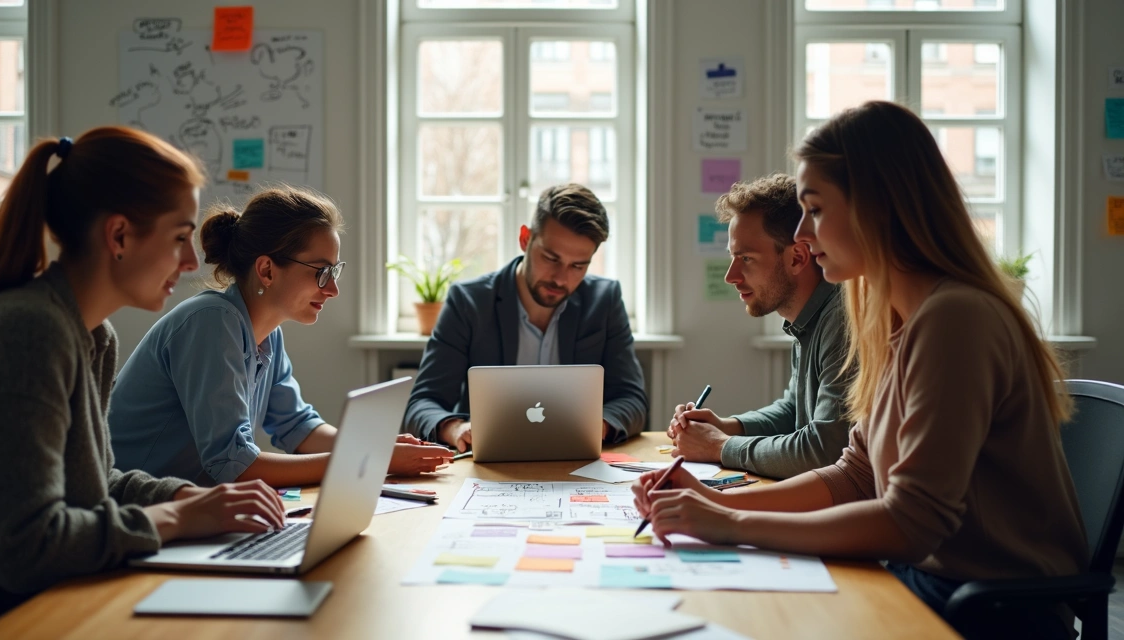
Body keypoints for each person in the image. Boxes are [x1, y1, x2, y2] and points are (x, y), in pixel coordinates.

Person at [634, 101, 1087, 638]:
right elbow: (855, 474)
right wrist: (713, 500)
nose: (803, 232)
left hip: (986, 608)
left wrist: (732, 522)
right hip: (928, 580)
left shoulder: (955, 316)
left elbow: (910, 523)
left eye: (816, 209)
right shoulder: (895, 315)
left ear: (879, 208)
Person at [0, 128, 286, 638]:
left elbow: (92, 481)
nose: (193, 262)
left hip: (28, 599)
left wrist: (187, 499)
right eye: (179, 238)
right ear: (119, 236)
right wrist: (176, 520)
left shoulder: (90, 335)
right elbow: (25, 546)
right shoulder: (26, 333)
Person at [110, 186, 453, 487]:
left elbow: (297, 427)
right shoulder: (211, 323)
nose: (332, 289)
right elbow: (233, 466)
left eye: (334, 271)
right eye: (321, 272)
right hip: (136, 513)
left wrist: (374, 446)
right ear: (267, 270)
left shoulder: (266, 334)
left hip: (186, 511)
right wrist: (366, 460)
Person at [403, 183, 648, 450]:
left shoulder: (605, 301)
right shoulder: (468, 302)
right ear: (525, 239)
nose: (561, 278)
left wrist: (597, 425)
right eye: (551, 258)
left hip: (577, 464)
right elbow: (422, 403)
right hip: (485, 466)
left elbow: (632, 398)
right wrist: (455, 428)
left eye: (578, 266)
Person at [667, 173, 853, 479]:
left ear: (797, 258)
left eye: (746, 258)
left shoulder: (842, 320)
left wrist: (720, 446)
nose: (731, 275)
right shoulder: (808, 316)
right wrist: (727, 426)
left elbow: (825, 451)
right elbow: (794, 409)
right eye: (732, 257)